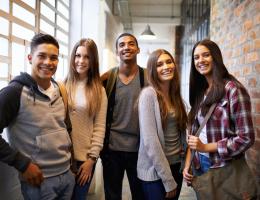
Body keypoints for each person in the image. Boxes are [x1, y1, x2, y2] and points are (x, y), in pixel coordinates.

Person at [0, 33, 75, 199]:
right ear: (30, 58)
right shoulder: (13, 92)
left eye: (53, 58)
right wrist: (23, 164)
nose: (48, 62)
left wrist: (71, 167)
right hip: (39, 180)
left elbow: (63, 128)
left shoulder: (59, 89)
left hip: (66, 175)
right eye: (41, 56)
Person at [182, 39, 255, 194]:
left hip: (223, 167)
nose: (200, 60)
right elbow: (195, 132)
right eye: (196, 57)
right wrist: (188, 163)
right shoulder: (200, 90)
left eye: (206, 55)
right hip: (198, 164)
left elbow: (246, 137)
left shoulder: (233, 90)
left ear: (215, 57)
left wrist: (206, 147)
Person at [100, 33, 146, 200]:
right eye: (122, 45)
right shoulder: (107, 78)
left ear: (138, 49)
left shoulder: (147, 78)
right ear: (117, 51)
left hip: (139, 150)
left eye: (131, 44)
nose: (126, 47)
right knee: (112, 196)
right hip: (112, 151)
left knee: (140, 195)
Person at [137, 49, 188, 200]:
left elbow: (180, 129)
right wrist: (167, 179)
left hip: (175, 166)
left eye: (169, 62)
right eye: (159, 64)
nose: (166, 66)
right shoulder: (148, 95)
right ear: (153, 70)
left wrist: (184, 159)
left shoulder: (174, 95)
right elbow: (150, 141)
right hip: (156, 172)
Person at [64, 38, 107, 200]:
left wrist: (92, 160)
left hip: (84, 161)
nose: (81, 61)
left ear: (93, 60)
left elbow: (99, 128)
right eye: (78, 55)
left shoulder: (99, 91)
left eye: (87, 57)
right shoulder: (62, 85)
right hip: (62, 158)